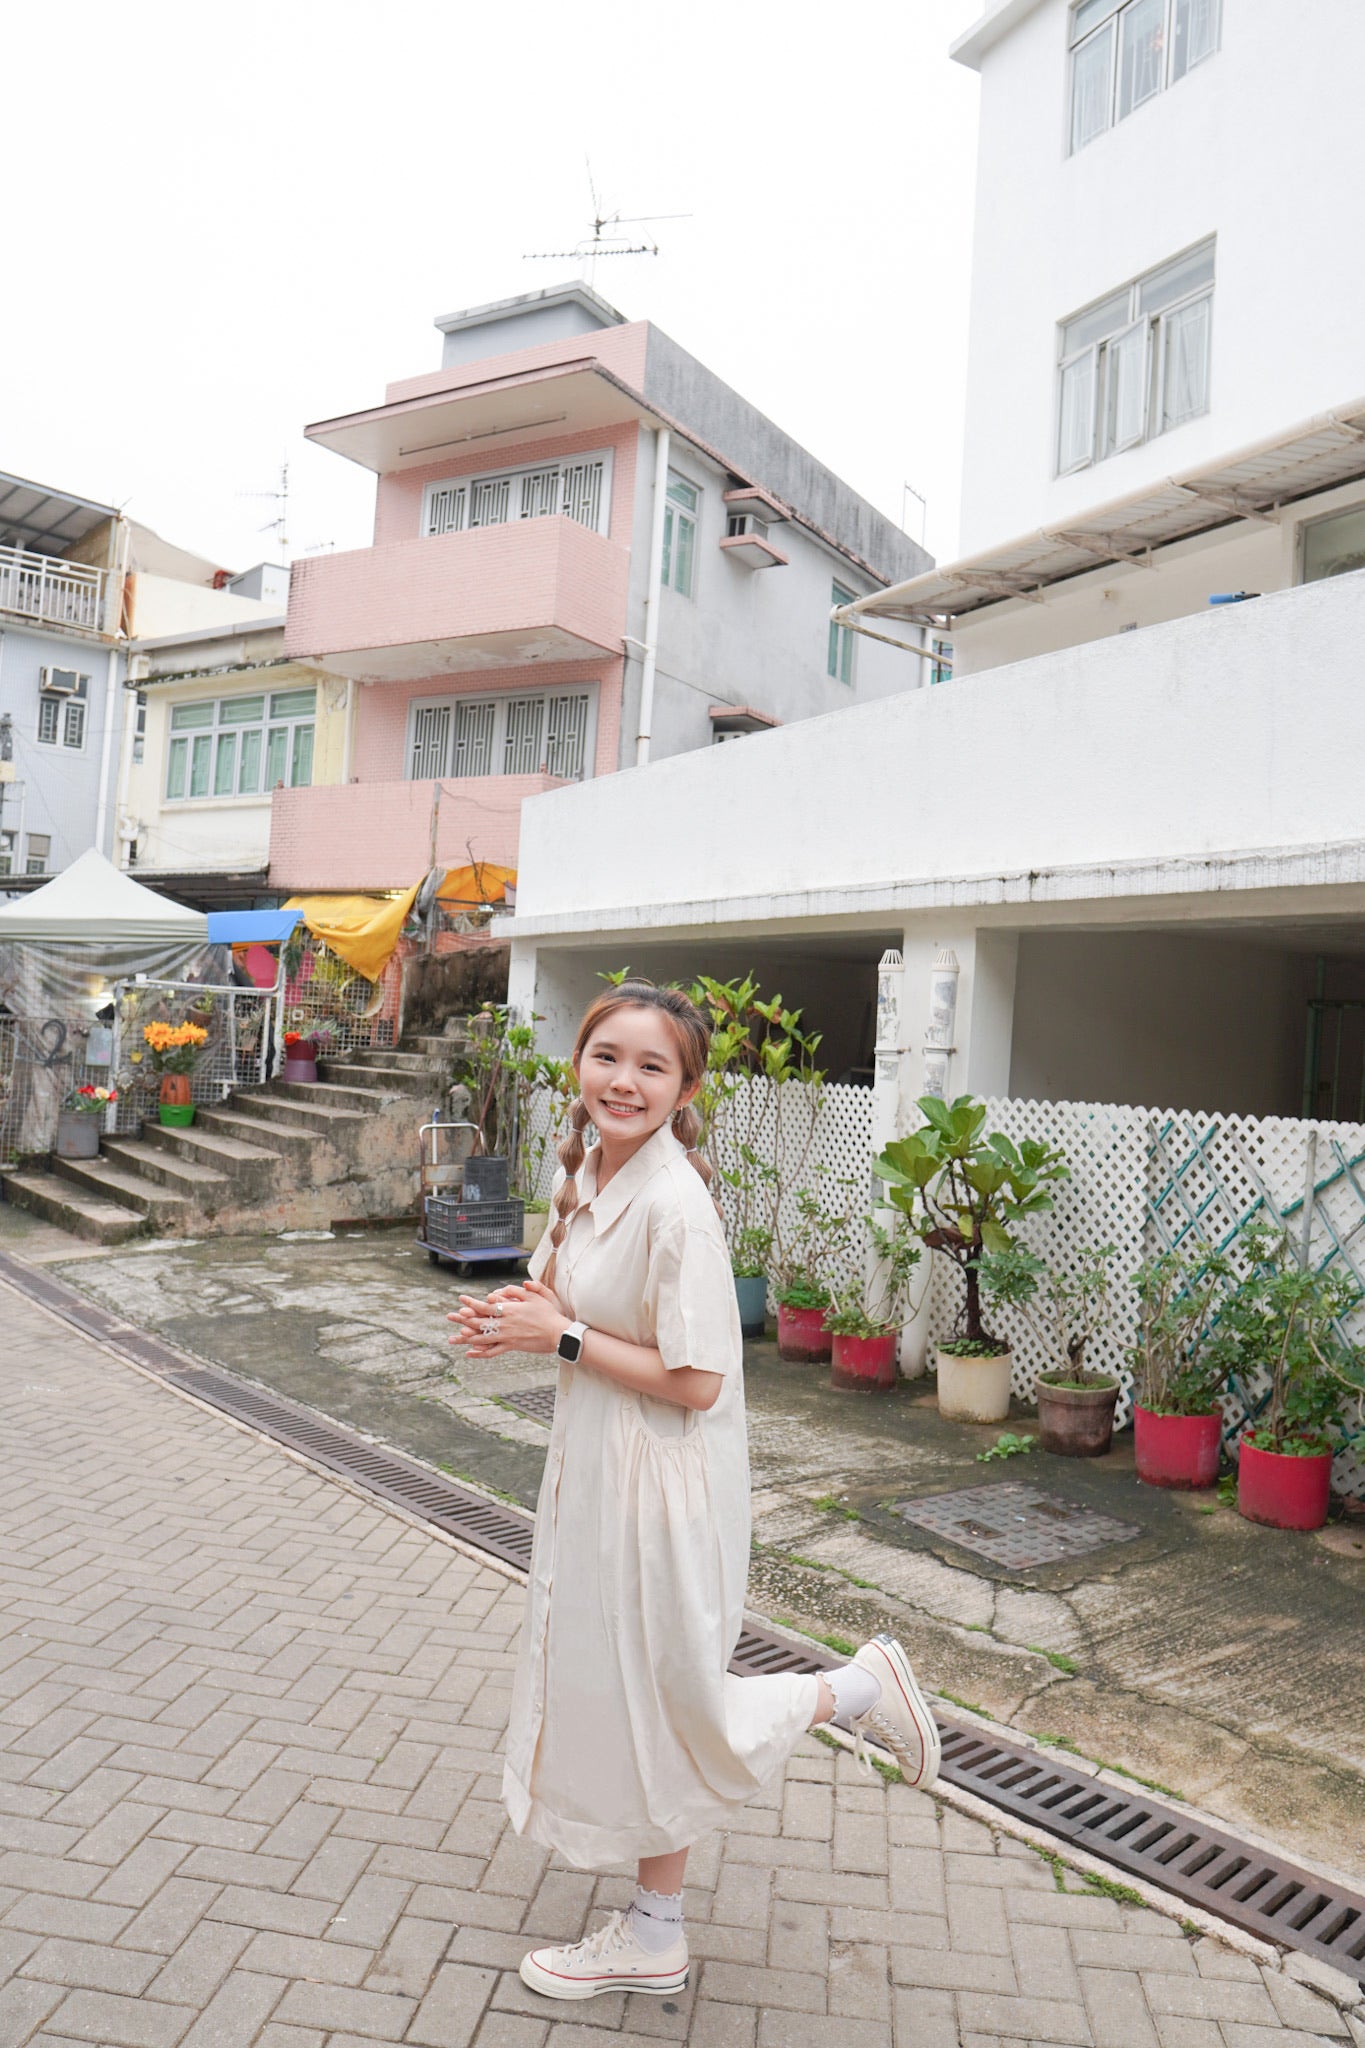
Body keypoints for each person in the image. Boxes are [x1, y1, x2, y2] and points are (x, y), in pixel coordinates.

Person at [450, 982, 939, 2002]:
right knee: (633, 1694)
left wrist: (565, 1337)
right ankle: (656, 1928)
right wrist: (517, 1316)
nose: (624, 1079)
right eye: (607, 1056)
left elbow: (698, 1378)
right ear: (578, 1065)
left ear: (686, 1088)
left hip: (658, 1486)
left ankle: (850, 1689)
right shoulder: (585, 1170)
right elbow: (559, 1299)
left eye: (652, 1065)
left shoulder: (678, 1205)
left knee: (671, 1699)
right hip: (595, 1466)